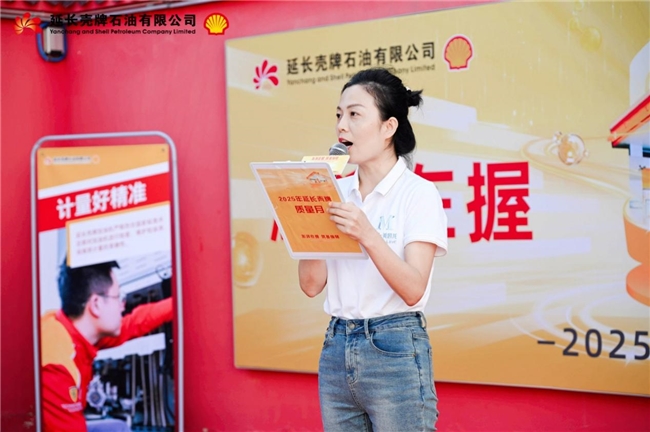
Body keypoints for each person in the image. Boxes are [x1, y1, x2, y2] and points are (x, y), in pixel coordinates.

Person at [298, 68, 448, 432]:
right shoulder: (336, 192)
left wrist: (366, 234)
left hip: (395, 345)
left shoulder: (418, 193)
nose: (341, 127)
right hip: (336, 345)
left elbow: (413, 289)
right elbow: (311, 284)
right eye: (339, 115)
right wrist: (310, 213)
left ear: (388, 127)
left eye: (354, 114)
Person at [40, 260, 173, 432]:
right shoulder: (55, 365)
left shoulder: (67, 329)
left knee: (117, 428)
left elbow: (133, 324)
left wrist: (178, 303)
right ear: (96, 304)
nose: (122, 306)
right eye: (118, 297)